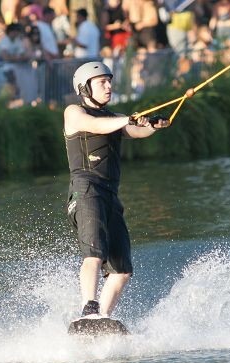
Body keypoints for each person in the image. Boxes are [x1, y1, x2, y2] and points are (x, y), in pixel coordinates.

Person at [63, 62, 169, 320]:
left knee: (122, 270)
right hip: (86, 190)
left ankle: (102, 319)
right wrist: (125, 119)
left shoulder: (114, 118)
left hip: (110, 195)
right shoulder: (74, 112)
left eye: (109, 81)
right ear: (84, 88)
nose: (109, 86)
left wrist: (151, 125)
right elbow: (97, 126)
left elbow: (133, 131)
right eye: (102, 82)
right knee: (94, 252)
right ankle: (89, 309)